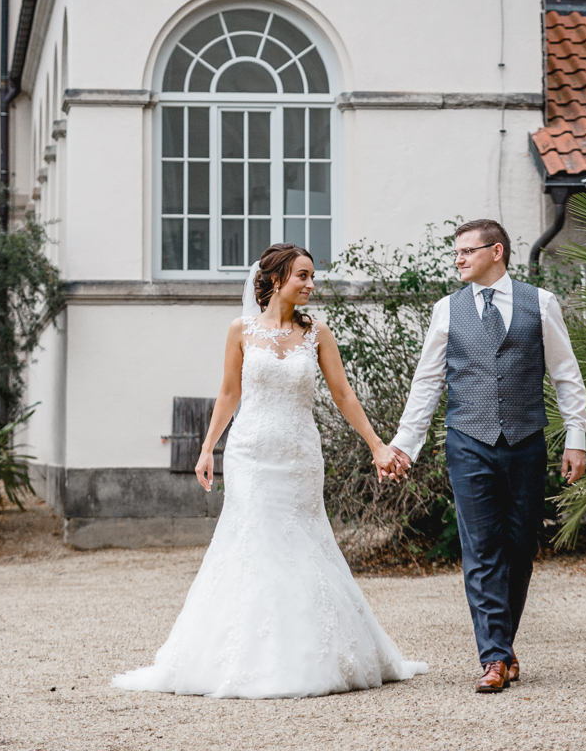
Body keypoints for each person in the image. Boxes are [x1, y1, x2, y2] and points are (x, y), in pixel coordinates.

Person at [113, 242, 428, 699]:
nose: (311, 284)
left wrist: (378, 446)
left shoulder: (318, 333)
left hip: (300, 456)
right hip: (250, 455)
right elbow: (228, 394)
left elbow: (344, 397)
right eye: (303, 276)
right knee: (253, 541)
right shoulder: (240, 330)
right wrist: (207, 450)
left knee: (304, 542)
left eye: (312, 276)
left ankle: (313, 651)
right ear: (277, 278)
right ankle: (248, 655)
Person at [382, 218, 586, 695]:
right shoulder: (446, 310)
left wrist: (574, 437)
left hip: (525, 442)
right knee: (480, 549)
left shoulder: (540, 303)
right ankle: (494, 656)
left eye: (466, 251)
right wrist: (405, 446)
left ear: (496, 251)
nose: (458, 259)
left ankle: (503, 642)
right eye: (455, 252)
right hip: (468, 441)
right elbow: (428, 383)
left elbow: (565, 374)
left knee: (519, 548)